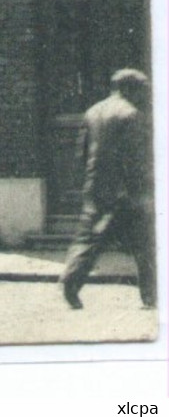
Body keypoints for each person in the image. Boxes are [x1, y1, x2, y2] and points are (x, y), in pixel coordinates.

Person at [61, 68, 156, 310]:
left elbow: (81, 153)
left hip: (96, 187)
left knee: (89, 238)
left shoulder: (93, 111)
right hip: (126, 192)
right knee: (146, 245)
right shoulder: (132, 115)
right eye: (140, 89)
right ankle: (151, 295)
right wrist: (142, 190)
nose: (143, 94)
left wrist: (87, 182)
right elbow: (136, 159)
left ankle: (71, 280)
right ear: (128, 88)